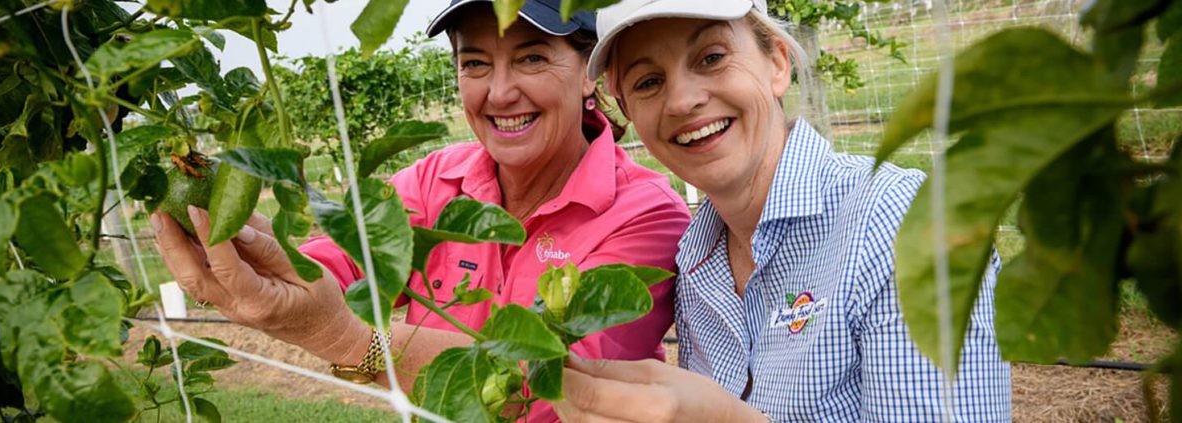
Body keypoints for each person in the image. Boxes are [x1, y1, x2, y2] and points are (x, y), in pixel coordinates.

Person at [151, 1, 690, 421]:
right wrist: (247, 245)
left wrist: (345, 339)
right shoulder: (435, 181)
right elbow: (337, 264)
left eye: (531, 57)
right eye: (475, 63)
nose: (500, 92)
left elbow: (552, 394)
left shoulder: (647, 214)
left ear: (589, 72)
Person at [552, 0, 1011, 421]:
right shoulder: (698, 261)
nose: (682, 101)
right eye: (649, 82)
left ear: (777, 63)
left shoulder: (900, 222)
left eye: (711, 58)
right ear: (629, 111)